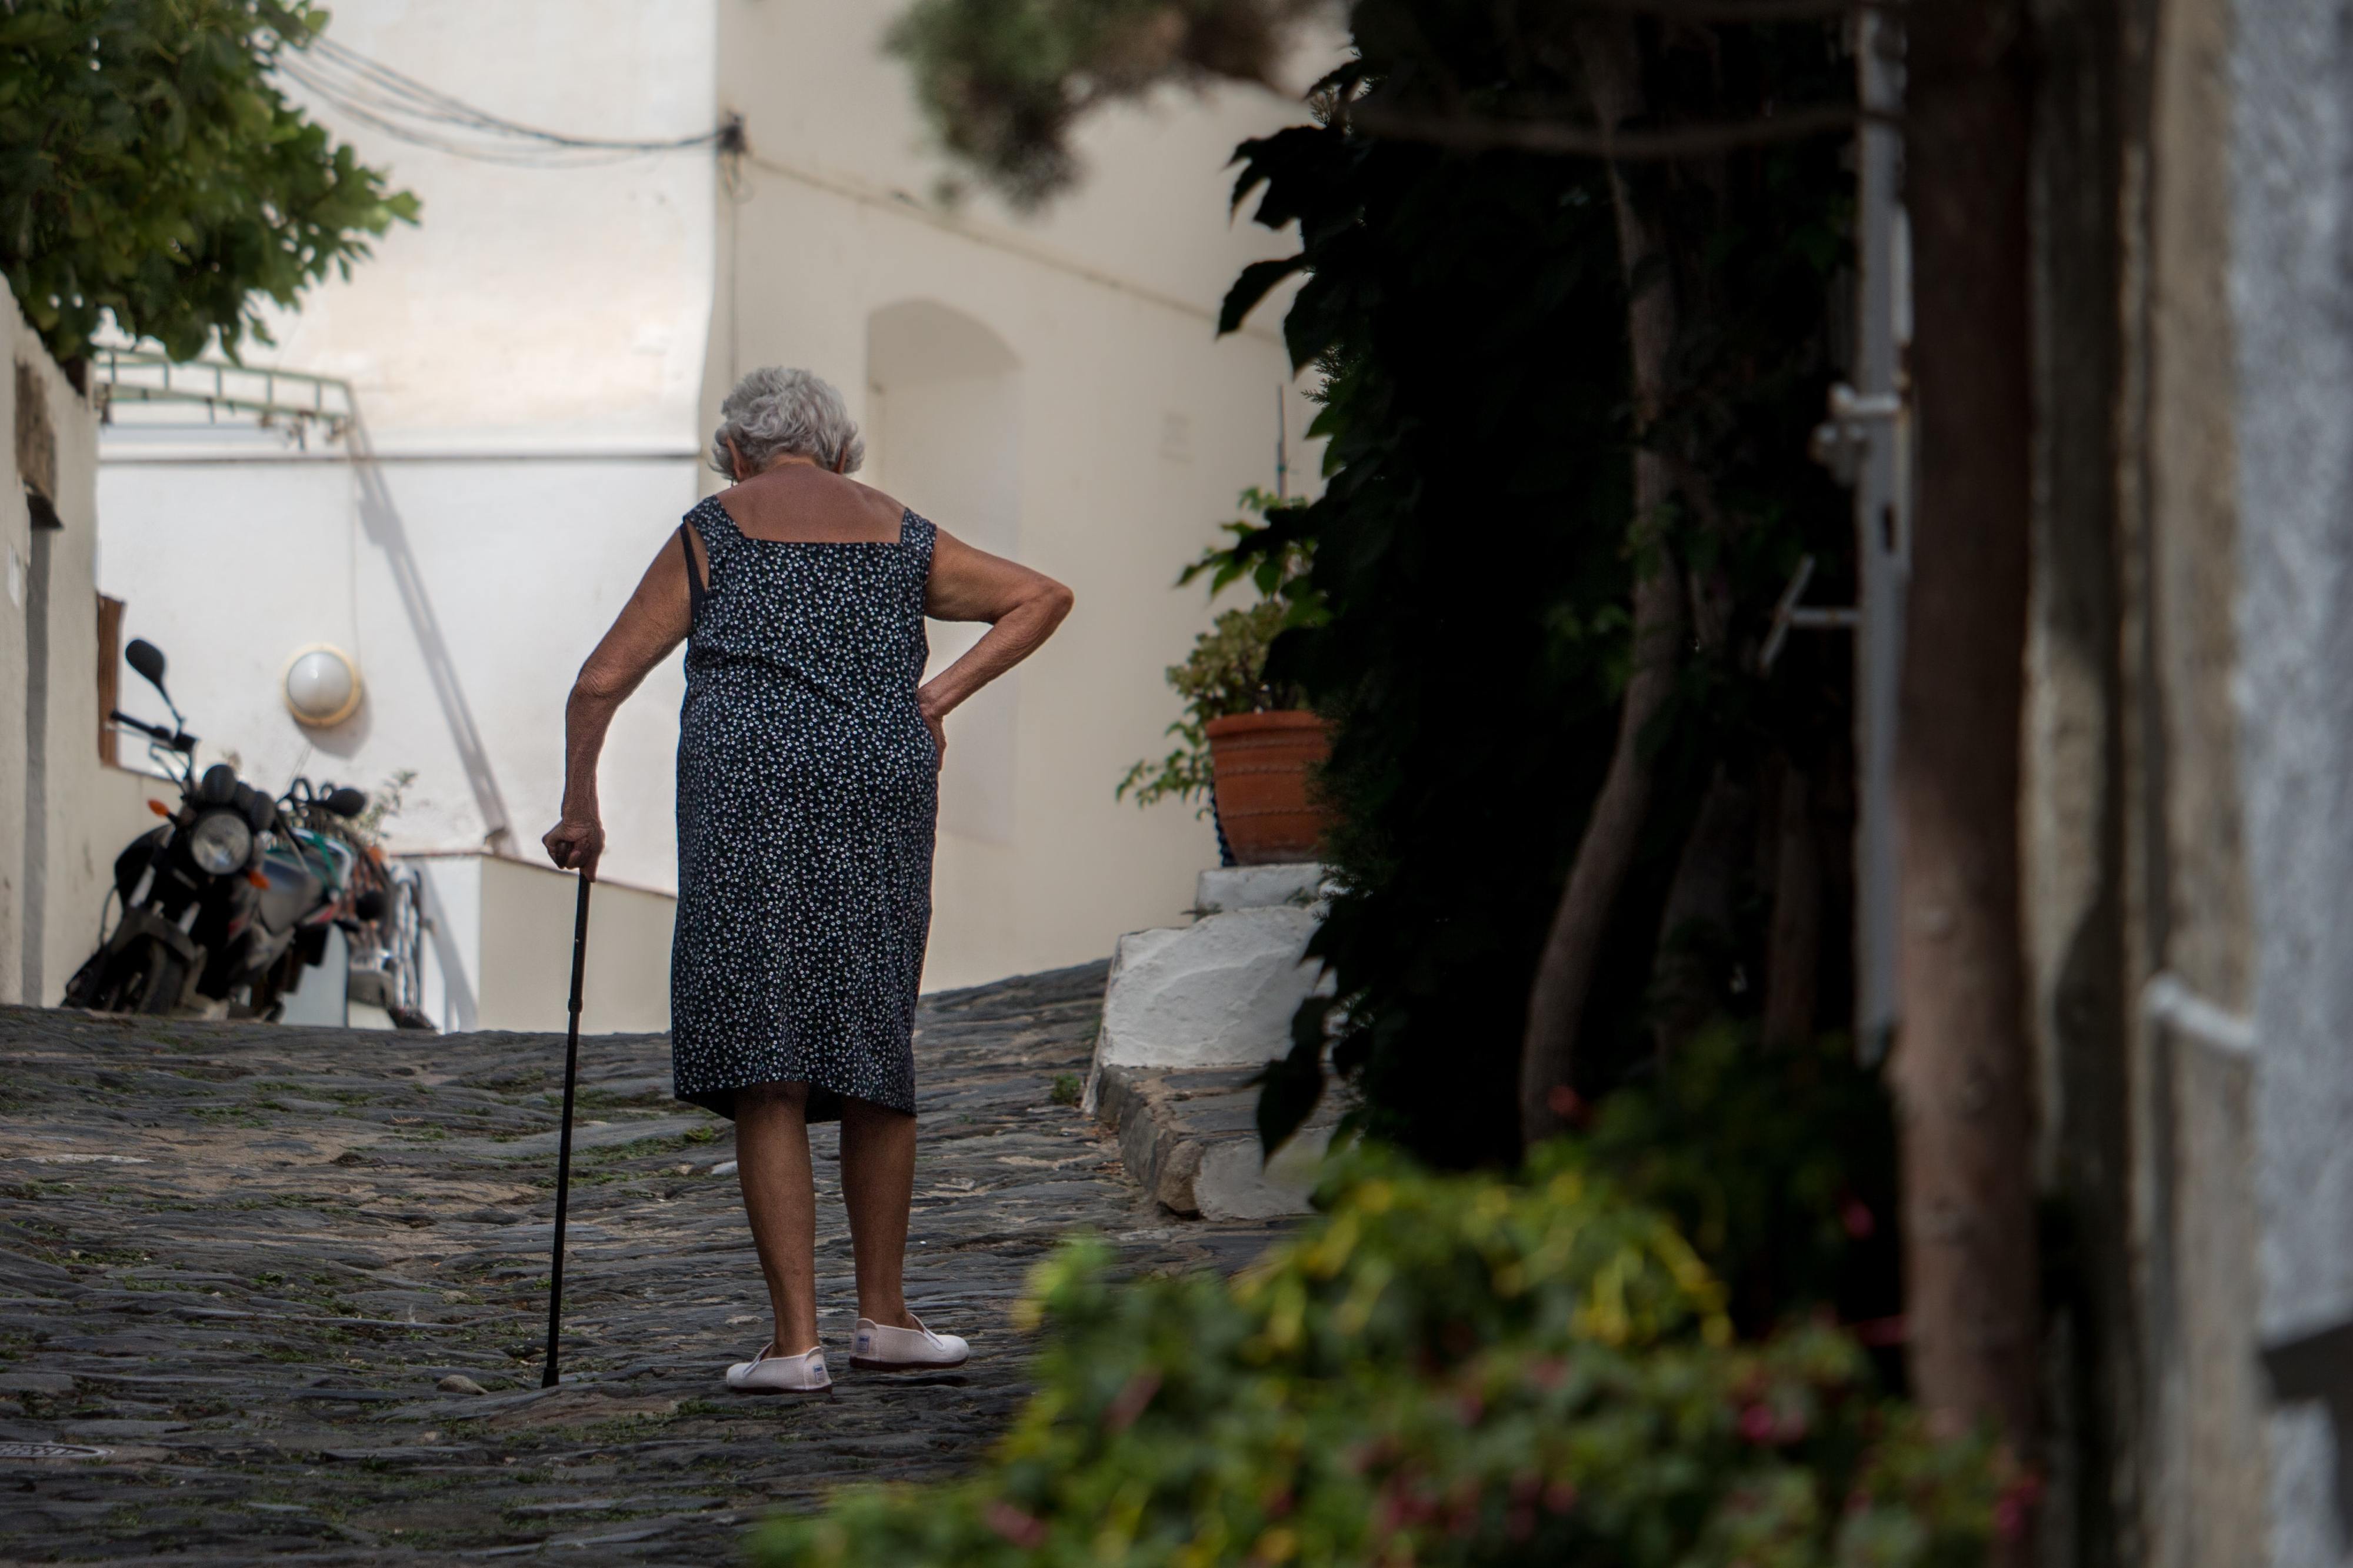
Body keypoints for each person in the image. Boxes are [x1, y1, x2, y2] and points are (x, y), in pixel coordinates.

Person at [542, 366, 1074, 1393]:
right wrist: (936, 696)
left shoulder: (718, 526)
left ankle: (795, 1344)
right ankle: (887, 1316)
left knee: (765, 1052)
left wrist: (582, 808)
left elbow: (600, 681)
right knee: (873, 1035)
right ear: (839, 451)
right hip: (876, 789)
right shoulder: (898, 528)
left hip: (745, 795)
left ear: (738, 452)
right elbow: (1040, 597)